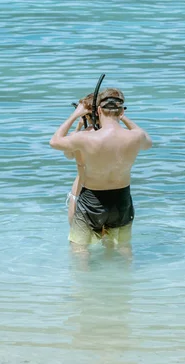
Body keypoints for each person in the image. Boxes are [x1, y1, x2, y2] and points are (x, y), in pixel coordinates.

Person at [50, 88, 152, 253]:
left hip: (91, 196)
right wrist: (121, 116)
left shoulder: (84, 138)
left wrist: (75, 115)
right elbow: (148, 142)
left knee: (79, 248)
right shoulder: (135, 136)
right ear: (121, 110)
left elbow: (56, 143)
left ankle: (82, 278)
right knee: (122, 247)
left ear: (97, 111)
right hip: (122, 198)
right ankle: (126, 277)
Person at [64, 93, 97, 225]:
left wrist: (77, 128)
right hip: (111, 190)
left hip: (82, 188)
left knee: (77, 240)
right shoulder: (115, 135)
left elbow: (69, 155)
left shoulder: (79, 137)